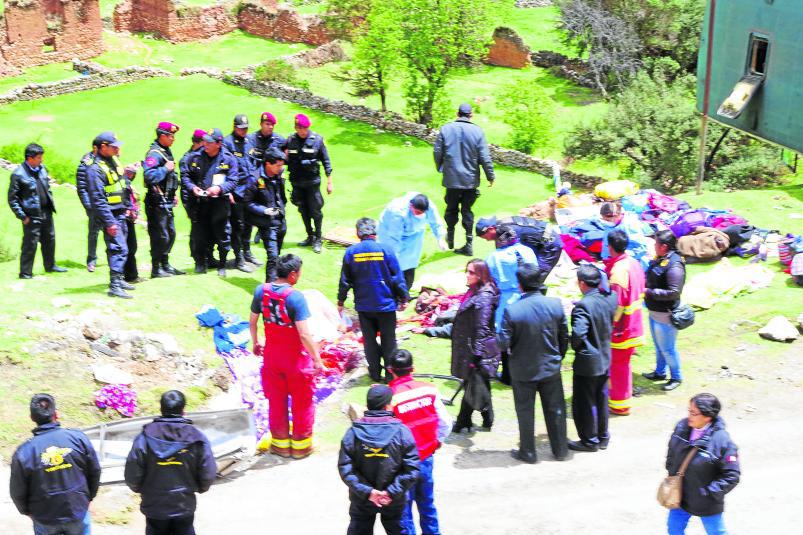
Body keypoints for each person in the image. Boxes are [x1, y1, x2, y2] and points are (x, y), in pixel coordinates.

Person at [249, 254, 324, 459]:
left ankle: (280, 445)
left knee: (276, 401)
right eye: (299, 273)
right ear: (292, 275)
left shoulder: (260, 291)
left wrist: (255, 342)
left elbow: (253, 321)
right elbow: (304, 334)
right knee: (302, 402)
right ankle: (301, 447)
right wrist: (317, 359)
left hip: (272, 357)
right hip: (296, 360)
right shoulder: (295, 297)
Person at [497, 263, 569, 463]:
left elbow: (503, 343)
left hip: (523, 369)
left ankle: (528, 451)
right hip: (550, 366)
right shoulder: (555, 305)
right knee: (556, 410)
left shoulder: (513, 310)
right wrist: (558, 357)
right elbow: (564, 337)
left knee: (525, 411)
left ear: (519, 284)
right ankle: (560, 450)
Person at [419, 259, 500, 432]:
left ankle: (464, 420)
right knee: (478, 383)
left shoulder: (484, 297)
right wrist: (430, 330)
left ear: (481, 275)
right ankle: (486, 418)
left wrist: (477, 355)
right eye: (467, 271)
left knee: (472, 383)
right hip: (472, 346)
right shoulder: (474, 291)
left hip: (478, 349)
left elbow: (482, 327)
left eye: (471, 272)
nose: (467, 275)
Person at [125, 390, 217, 535]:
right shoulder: (197, 438)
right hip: (183, 504)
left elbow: (132, 473)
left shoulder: (144, 437)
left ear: (161, 409)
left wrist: (142, 490)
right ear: (183, 410)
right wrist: (199, 488)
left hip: (154, 506)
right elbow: (208, 472)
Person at [10, 393, 101, 535]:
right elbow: (94, 471)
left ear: (32, 418)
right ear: (56, 414)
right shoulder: (78, 439)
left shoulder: (24, 452)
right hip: (77, 511)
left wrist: (27, 512)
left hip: (45, 518)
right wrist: (89, 498)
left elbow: (17, 491)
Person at [338, 384, 420, 535]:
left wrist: (369, 492)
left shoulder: (353, 433)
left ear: (368, 405)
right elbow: (412, 469)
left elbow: (345, 469)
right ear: (387, 406)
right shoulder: (402, 432)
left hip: (361, 499)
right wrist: (390, 492)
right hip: (394, 500)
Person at [387, 350, 451, 535]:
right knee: (427, 506)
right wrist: (437, 441)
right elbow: (446, 422)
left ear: (390, 370)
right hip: (426, 459)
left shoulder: (390, 397)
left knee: (404, 512)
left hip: (402, 466)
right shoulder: (429, 390)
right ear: (413, 369)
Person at [338, 217, 409, 382]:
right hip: (386, 305)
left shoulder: (351, 252)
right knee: (389, 341)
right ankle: (390, 375)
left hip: (364, 307)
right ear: (375, 233)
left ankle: (375, 373)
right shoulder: (386, 250)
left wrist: (340, 301)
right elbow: (397, 278)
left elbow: (345, 281)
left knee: (369, 341)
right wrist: (404, 297)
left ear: (358, 233)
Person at [664, 393, 740, 535]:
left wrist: (709, 493)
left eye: (694, 413)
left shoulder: (722, 441)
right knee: (674, 529)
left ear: (707, 417)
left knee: (716, 532)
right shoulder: (681, 427)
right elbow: (672, 451)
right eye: (689, 411)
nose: (689, 416)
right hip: (680, 495)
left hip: (706, 502)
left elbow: (732, 475)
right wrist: (671, 470)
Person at [433, 103, 495, 256]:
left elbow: (437, 151)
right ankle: (468, 244)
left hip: (451, 179)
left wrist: (440, 167)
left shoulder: (446, 129)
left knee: (451, 208)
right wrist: (490, 176)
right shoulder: (478, 131)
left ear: (457, 113)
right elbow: (484, 157)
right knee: (467, 210)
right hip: (470, 181)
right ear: (471, 115)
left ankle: (450, 239)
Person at [568, 265, 617, 452]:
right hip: (604, 357)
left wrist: (574, 344)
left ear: (582, 283)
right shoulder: (608, 299)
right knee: (601, 399)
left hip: (588, 362)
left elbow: (578, 334)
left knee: (585, 403)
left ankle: (589, 440)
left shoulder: (583, 306)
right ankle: (602, 436)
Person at [180, 128, 239, 277]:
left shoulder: (228, 159)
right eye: (205, 141)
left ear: (218, 144)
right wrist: (193, 188)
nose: (205, 144)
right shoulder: (195, 157)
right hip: (201, 203)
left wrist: (219, 188)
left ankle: (222, 264)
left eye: (209, 142)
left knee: (222, 235)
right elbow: (186, 176)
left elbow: (233, 180)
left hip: (219, 203)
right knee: (200, 235)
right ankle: (200, 264)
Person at [86, 132, 136, 298]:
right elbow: (98, 199)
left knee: (122, 247)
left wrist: (129, 206)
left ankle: (118, 279)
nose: (117, 149)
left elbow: (123, 184)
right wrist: (109, 222)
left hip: (120, 211)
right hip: (110, 214)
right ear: (103, 147)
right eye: (113, 146)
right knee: (117, 248)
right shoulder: (94, 169)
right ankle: (114, 285)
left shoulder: (113, 161)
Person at [7, 143, 68, 279]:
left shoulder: (42, 169)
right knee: (30, 244)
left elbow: (47, 188)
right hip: (31, 216)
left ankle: (50, 266)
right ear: (30, 158)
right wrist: (22, 216)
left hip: (46, 212)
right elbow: (12, 199)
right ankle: (25, 273)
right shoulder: (18, 174)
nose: (42, 160)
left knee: (49, 240)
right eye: (39, 157)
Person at [604, 229, 645, 416]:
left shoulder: (618, 272)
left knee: (618, 367)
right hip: (634, 324)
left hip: (621, 329)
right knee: (623, 365)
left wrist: (608, 324)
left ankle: (620, 404)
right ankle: (619, 399)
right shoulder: (634, 263)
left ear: (610, 247)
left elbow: (617, 305)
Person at [643, 230, 687, 392]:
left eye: (656, 243)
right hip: (654, 312)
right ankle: (660, 372)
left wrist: (649, 292)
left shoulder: (675, 265)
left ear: (664, 246)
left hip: (665, 316)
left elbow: (674, 292)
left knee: (668, 349)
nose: (653, 246)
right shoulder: (661, 258)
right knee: (659, 346)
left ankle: (676, 377)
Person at [376, 192, 448, 290]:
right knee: (392, 261)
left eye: (422, 213)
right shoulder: (397, 212)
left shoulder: (429, 206)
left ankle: (405, 288)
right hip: (389, 232)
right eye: (417, 212)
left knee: (410, 260)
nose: (419, 214)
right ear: (411, 206)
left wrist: (440, 238)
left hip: (413, 234)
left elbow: (435, 222)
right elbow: (394, 237)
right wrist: (394, 257)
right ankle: (388, 287)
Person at [283, 113, 333, 254]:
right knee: (303, 210)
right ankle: (310, 236)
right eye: (299, 128)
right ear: (295, 128)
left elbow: (326, 161)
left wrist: (329, 182)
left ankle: (318, 238)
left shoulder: (317, 140)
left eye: (304, 128)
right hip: (297, 183)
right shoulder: (290, 140)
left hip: (312, 183)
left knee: (315, 211)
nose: (302, 131)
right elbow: (283, 157)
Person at [143, 121, 184, 278]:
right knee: (160, 236)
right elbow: (149, 176)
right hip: (156, 202)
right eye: (171, 136)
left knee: (171, 234)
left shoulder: (166, 151)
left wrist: (173, 194)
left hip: (167, 200)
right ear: (162, 136)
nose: (174, 139)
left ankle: (165, 264)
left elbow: (170, 178)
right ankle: (156, 268)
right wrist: (165, 169)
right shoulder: (154, 154)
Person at [242, 147, 289, 282]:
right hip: (267, 223)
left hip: (280, 220)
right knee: (273, 256)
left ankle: (276, 282)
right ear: (268, 163)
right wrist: (264, 210)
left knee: (277, 255)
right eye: (278, 165)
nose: (281, 168)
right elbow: (247, 202)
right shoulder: (255, 179)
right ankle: (270, 286)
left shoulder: (278, 175)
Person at [485, 225, 537, 331]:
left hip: (507, 300)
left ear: (498, 239)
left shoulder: (493, 257)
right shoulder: (528, 250)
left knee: (503, 330)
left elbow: (488, 279)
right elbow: (535, 272)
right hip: (531, 297)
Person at [224, 113, 258, 272]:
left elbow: (254, 162)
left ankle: (247, 252)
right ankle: (239, 258)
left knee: (249, 222)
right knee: (237, 225)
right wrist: (228, 191)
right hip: (236, 191)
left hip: (250, 190)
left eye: (246, 128)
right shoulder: (227, 143)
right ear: (234, 127)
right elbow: (224, 169)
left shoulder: (249, 141)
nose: (244, 131)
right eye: (241, 128)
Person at [475, 215, 563, 278]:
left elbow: (517, 258)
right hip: (539, 242)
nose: (486, 240)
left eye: (485, 237)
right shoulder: (500, 228)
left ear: (490, 229)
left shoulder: (508, 233)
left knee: (534, 277)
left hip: (550, 245)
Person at [179, 129, 214, 266]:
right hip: (192, 200)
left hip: (204, 199)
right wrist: (188, 205)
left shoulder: (202, 156)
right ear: (198, 142)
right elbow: (186, 183)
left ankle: (208, 256)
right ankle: (197, 257)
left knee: (207, 228)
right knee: (197, 229)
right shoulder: (188, 158)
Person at [599, 202, 651, 270]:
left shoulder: (629, 226)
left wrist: (622, 256)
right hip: (614, 260)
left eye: (607, 220)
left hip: (632, 263)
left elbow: (642, 248)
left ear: (617, 215)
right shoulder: (610, 224)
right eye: (604, 219)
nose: (605, 222)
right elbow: (606, 242)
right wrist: (605, 258)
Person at [75, 145, 101, 272]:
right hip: (93, 204)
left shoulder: (107, 160)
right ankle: (91, 259)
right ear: (95, 148)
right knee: (93, 232)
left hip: (108, 202)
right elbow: (82, 187)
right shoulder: (85, 164)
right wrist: (89, 206)